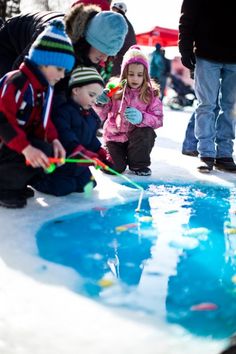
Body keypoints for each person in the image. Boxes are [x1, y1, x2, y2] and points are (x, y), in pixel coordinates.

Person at [0, 20, 75, 209]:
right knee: (33, 150)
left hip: (14, 144)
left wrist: (55, 140)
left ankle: (14, 184)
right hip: (5, 141)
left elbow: (43, 121)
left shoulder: (41, 88)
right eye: (59, 69)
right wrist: (26, 148)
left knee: (46, 150)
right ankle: (5, 188)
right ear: (42, 62)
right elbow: (2, 121)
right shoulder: (17, 82)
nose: (62, 75)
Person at [32, 66, 113, 196]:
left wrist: (100, 152)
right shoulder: (63, 111)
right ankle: (39, 180)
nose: (94, 100)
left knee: (88, 184)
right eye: (91, 95)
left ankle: (73, 178)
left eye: (96, 97)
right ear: (75, 90)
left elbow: (90, 138)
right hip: (62, 163)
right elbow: (65, 135)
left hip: (79, 165)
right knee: (64, 187)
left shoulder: (90, 116)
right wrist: (80, 152)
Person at [178, 0, 236, 173]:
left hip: (234, 58)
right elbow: (187, 17)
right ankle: (206, 154)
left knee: (231, 107)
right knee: (206, 105)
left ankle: (225, 154)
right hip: (206, 54)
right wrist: (185, 49)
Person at [0, 3, 128, 79]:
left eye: (109, 54)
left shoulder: (87, 50)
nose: (104, 59)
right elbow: (21, 73)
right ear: (91, 39)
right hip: (8, 45)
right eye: (103, 50)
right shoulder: (54, 34)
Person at [96, 45, 163, 176]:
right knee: (114, 167)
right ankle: (107, 155)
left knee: (147, 132)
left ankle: (138, 164)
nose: (135, 78)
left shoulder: (150, 94)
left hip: (136, 140)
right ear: (124, 73)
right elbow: (100, 116)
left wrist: (142, 118)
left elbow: (158, 119)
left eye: (139, 75)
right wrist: (99, 103)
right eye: (131, 74)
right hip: (114, 138)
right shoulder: (115, 91)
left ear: (145, 75)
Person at [110, 1, 136, 77]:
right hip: (127, 58)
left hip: (119, 57)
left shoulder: (118, 21)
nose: (112, 12)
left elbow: (114, 39)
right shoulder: (127, 23)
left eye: (114, 9)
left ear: (118, 10)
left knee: (113, 80)